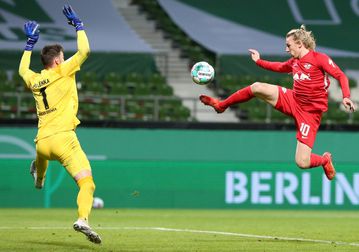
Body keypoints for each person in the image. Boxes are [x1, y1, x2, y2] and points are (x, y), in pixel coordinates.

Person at [200, 25, 356, 180]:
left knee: (302, 162)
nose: (286, 49)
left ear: (300, 44)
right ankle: (221, 105)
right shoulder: (294, 62)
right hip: (293, 100)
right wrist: (259, 61)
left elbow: (341, 75)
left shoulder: (319, 58)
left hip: (309, 114)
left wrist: (346, 96)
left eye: (288, 45)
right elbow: (279, 66)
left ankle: (324, 160)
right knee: (257, 87)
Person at [19, 5, 101, 244]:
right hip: (64, 139)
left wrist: (29, 43)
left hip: (42, 142)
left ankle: (39, 179)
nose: (65, 60)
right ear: (56, 61)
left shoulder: (34, 79)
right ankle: (82, 219)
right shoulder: (62, 71)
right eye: (63, 58)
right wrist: (79, 25)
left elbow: (22, 69)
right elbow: (84, 50)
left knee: (42, 158)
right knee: (87, 183)